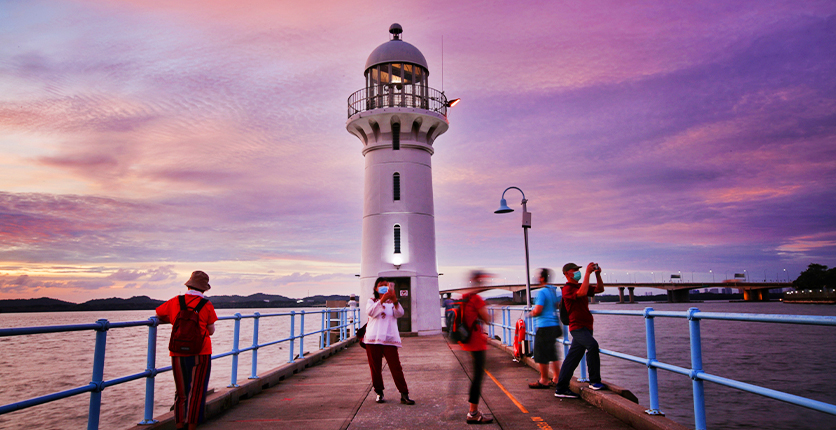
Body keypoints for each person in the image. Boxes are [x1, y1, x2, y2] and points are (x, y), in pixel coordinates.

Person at [155, 271, 218, 430]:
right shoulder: (207, 304)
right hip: (201, 352)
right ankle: (191, 426)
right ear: (204, 289)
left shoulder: (175, 301)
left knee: (181, 392)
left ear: (188, 285)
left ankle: (179, 425)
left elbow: (159, 313)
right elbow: (210, 331)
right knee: (197, 391)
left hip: (178, 352)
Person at [554, 262, 606, 399]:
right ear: (567, 274)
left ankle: (561, 388)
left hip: (587, 326)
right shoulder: (567, 289)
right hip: (577, 327)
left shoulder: (579, 285)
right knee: (592, 346)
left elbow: (600, 290)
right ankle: (594, 381)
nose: (578, 272)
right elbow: (582, 293)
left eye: (579, 270)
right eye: (575, 270)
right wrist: (588, 273)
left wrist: (598, 275)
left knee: (572, 358)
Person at [363, 278, 415, 405]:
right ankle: (379, 393)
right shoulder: (371, 301)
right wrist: (382, 299)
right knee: (375, 368)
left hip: (389, 339)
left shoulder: (392, 303)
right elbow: (371, 312)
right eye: (380, 286)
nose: (383, 288)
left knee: (396, 367)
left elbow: (400, 313)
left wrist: (395, 300)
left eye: (386, 286)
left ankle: (404, 393)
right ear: (376, 289)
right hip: (372, 339)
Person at [460, 271, 494, 424]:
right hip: (476, 343)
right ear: (478, 282)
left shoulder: (464, 298)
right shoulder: (477, 299)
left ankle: (473, 410)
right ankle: (473, 413)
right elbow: (487, 319)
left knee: (475, 376)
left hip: (466, 342)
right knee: (477, 378)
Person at [528, 268, 562, 389]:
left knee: (541, 354)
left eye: (538, 276)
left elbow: (538, 310)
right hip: (554, 326)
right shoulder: (553, 291)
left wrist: (531, 313)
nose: (537, 278)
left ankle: (544, 380)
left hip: (544, 326)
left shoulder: (541, 292)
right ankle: (557, 378)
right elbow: (556, 305)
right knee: (553, 354)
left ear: (542, 278)